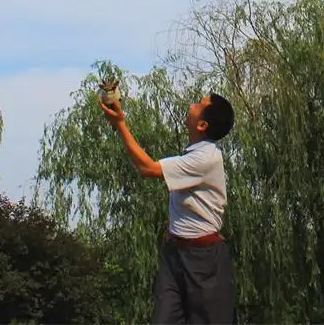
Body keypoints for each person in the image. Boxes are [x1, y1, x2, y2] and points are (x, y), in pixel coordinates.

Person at [99, 91, 236, 324]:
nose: (192, 104)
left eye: (199, 104)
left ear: (202, 125)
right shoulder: (193, 153)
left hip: (204, 260)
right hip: (175, 255)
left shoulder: (206, 159)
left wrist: (120, 124)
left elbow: (148, 168)